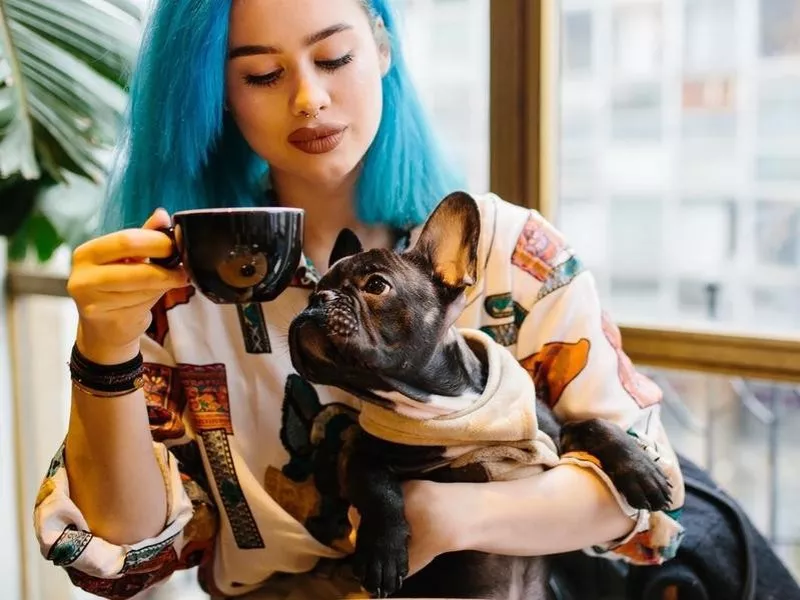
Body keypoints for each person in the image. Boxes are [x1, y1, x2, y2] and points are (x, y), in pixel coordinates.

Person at [33, 0, 685, 598]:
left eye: (334, 58)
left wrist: (444, 513)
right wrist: (105, 350)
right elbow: (124, 549)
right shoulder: (180, 290)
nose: (309, 99)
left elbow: (647, 503)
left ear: (382, 51)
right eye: (262, 75)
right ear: (220, 96)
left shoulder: (506, 253)